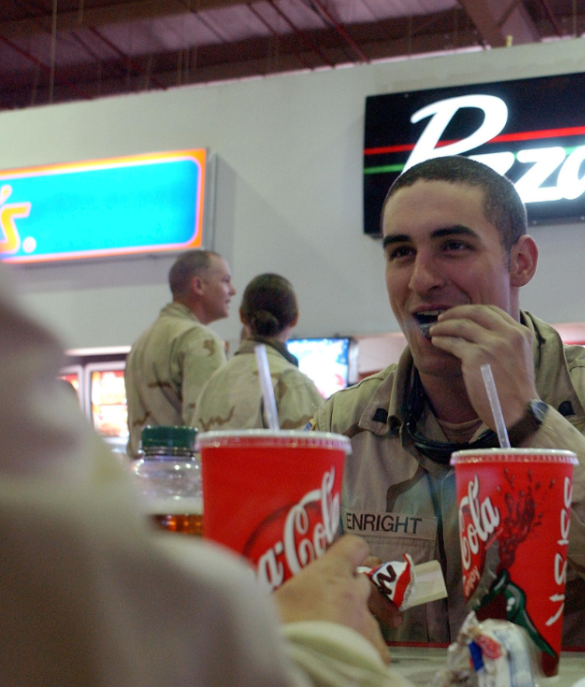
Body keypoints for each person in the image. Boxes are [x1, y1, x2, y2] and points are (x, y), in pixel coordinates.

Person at [310, 156, 585, 646]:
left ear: (521, 262)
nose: (421, 279)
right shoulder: (342, 425)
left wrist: (529, 422)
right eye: (401, 253)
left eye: (452, 246)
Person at [0, 262, 412, 687]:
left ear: (245, 319)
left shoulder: (152, 347)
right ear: (293, 320)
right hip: (228, 577)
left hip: (160, 517)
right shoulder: (218, 351)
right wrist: (316, 643)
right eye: (224, 280)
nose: (229, 288)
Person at [125, 250, 236, 457]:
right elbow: (208, 432)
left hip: (142, 479)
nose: (233, 291)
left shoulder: (142, 341)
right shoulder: (199, 339)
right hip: (183, 481)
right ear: (198, 286)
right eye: (225, 281)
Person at [193, 274, 322, 431]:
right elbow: (314, 452)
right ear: (295, 318)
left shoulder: (214, 382)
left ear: (241, 316)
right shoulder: (291, 382)